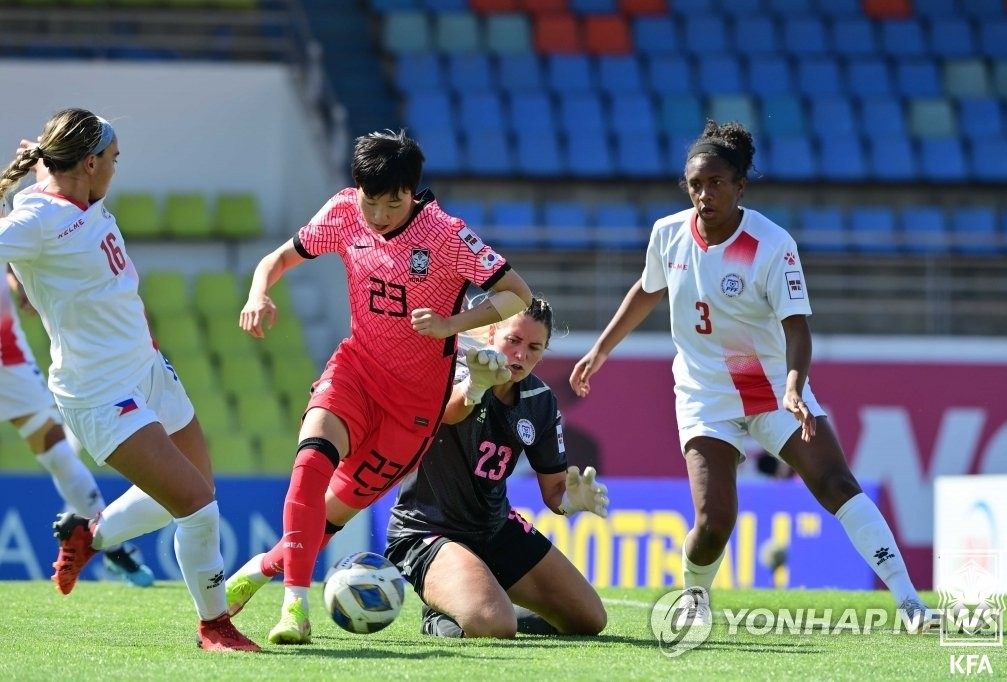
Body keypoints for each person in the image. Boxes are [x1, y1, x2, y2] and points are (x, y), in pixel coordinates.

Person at [569, 120, 937, 633]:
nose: (704, 194)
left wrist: (792, 385)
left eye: (716, 183)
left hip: (770, 390)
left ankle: (910, 603)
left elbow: (797, 328)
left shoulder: (771, 244)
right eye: (695, 185)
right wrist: (600, 349)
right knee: (715, 521)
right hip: (704, 393)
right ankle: (695, 595)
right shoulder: (668, 233)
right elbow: (648, 288)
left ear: (740, 186)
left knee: (835, 482)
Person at [226, 128, 533, 644]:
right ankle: (294, 611)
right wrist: (260, 293)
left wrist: (452, 325)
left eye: (391, 205)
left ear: (412, 193)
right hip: (357, 370)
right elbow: (275, 260)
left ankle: (261, 569)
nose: (377, 216)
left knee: (325, 519)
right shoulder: (344, 211)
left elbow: (516, 295)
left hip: (412, 414)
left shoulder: (446, 235)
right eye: (371, 202)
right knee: (309, 464)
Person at [0, 108, 259, 651]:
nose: (117, 170)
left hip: (150, 370)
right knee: (198, 507)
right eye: (114, 160)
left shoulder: (81, 200)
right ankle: (214, 626)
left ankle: (88, 535)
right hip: (100, 392)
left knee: (194, 493)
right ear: (90, 162)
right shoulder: (37, 221)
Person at [385, 297, 609, 638]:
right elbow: (446, 413)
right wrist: (475, 388)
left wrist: (570, 500)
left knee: (590, 620)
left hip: (495, 528)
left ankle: (483, 599)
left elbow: (554, 492)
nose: (521, 355)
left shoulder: (541, 401)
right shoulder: (457, 370)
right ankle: (440, 613)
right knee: (493, 625)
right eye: (514, 340)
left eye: (534, 347)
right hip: (427, 532)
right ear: (492, 333)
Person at [1, 264, 154, 587]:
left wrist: (18, 281)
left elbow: (9, 239)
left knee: (57, 452)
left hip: (6, 358)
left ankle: (110, 547)